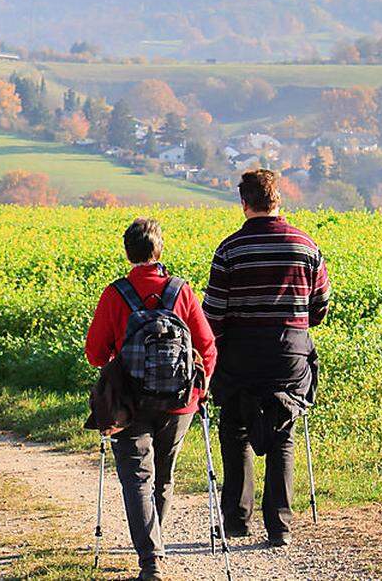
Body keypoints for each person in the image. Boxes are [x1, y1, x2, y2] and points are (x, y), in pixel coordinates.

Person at [203, 169, 331, 547]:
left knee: (236, 431)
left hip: (240, 354)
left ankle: (236, 521)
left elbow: (213, 313)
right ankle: (280, 527)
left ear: (244, 204)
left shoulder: (229, 249)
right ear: (279, 200)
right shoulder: (306, 246)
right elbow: (320, 306)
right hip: (289, 353)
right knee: (283, 433)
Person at [86, 218, 218, 581]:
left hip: (128, 404)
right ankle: (156, 545)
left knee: (136, 478)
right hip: (179, 402)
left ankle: (151, 559)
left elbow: (95, 353)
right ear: (159, 250)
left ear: (128, 252)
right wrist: (199, 389)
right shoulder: (182, 292)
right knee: (163, 475)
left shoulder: (115, 294)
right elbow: (207, 346)